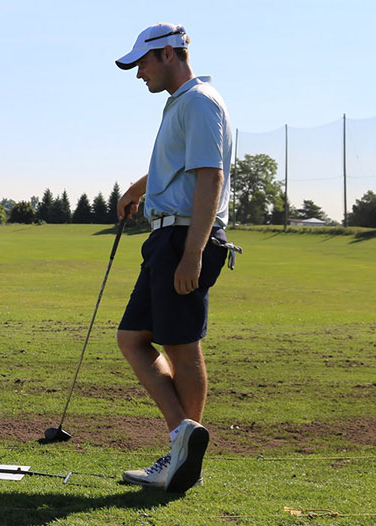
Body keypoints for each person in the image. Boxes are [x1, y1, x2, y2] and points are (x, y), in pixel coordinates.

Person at [112, 23, 233, 492]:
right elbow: (177, 164)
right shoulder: (181, 104)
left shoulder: (201, 102)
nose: (138, 73)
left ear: (167, 54)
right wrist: (136, 189)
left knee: (181, 348)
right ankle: (185, 444)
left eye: (142, 63)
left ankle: (184, 458)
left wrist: (193, 253)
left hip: (185, 238)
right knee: (132, 338)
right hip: (167, 237)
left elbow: (209, 176)